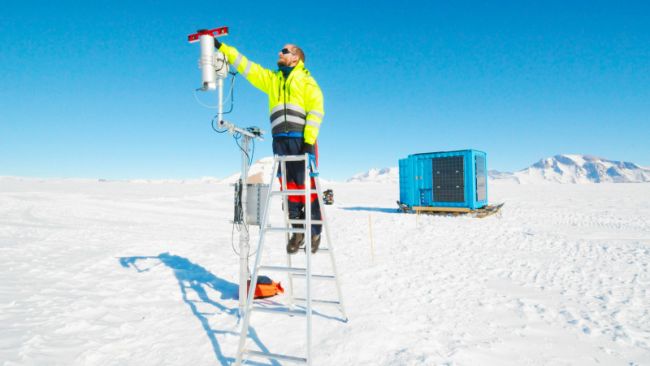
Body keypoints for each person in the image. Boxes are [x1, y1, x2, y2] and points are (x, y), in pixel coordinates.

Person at [215, 38, 324, 254]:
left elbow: (316, 111)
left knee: (307, 187)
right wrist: (222, 47)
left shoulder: (306, 81)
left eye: (285, 50)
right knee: (288, 187)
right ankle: (297, 231)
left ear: (296, 57)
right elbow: (247, 67)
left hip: (301, 140)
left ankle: (314, 232)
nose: (279, 53)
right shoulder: (272, 80)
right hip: (280, 141)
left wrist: (309, 143)